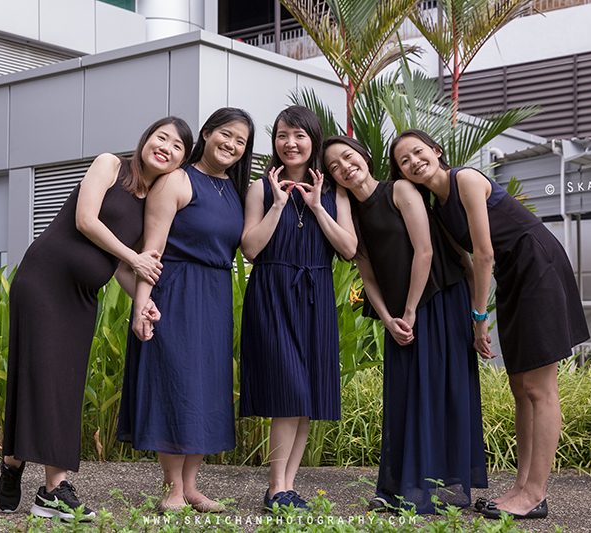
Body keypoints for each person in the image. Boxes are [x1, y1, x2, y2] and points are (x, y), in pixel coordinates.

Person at [0, 117, 193, 521]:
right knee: (42, 375)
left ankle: (15, 460)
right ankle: (54, 490)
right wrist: (134, 256)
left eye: (177, 147)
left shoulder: (149, 204)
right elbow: (86, 220)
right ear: (145, 140)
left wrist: (142, 303)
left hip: (83, 295)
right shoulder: (110, 165)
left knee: (65, 384)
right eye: (162, 137)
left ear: (180, 163)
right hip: (43, 281)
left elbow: (122, 267)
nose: (167, 147)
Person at [390, 129, 589, 520]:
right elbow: (464, 264)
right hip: (515, 277)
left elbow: (483, 255)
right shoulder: (437, 206)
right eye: (404, 161)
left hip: (538, 266)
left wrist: (479, 320)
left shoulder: (464, 179)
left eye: (418, 152)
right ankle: (520, 487)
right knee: (520, 386)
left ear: (436, 150)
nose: (414, 162)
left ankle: (535, 494)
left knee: (539, 387)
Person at [322, 135, 487, 513]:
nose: (345, 167)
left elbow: (425, 249)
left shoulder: (399, 189)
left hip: (437, 300)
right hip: (398, 316)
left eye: (348, 157)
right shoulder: (350, 215)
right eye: (335, 167)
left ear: (364, 156)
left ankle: (440, 490)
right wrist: (387, 318)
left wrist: (410, 310)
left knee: (440, 391)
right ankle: (395, 489)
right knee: (402, 396)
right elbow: (367, 274)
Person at [116, 107, 255, 513]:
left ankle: (192, 487)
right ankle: (173, 488)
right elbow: (150, 252)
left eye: (240, 141)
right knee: (174, 384)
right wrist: (142, 305)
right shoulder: (177, 179)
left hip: (214, 293)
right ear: (207, 135)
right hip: (175, 290)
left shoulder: (235, 189)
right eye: (225, 134)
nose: (231, 144)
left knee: (206, 389)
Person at [239, 107, 356, 511]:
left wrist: (318, 206)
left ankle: (287, 486)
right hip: (272, 291)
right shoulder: (259, 187)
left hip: (316, 294)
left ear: (313, 141)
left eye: (299, 136)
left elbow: (349, 249)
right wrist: (277, 203)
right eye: (283, 135)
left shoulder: (333, 191)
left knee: (307, 397)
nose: (291, 143)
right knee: (289, 391)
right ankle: (275, 488)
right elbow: (251, 249)